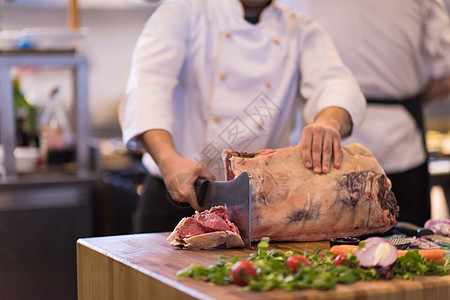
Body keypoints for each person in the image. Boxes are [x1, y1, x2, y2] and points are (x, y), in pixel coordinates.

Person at [119, 0, 366, 233]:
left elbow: (336, 84)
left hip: (261, 207)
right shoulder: (183, 10)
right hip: (177, 197)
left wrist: (329, 121)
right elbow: (148, 86)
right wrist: (167, 159)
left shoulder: (301, 29)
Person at [281, 0, 450, 226]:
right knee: (409, 249)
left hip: (327, 154)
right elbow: (446, 72)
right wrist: (410, 100)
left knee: (329, 253)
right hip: (392, 137)